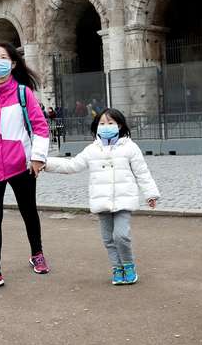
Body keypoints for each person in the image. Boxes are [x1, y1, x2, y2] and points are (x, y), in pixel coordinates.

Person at [0, 42, 51, 292]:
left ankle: (37, 253)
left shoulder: (24, 93)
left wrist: (37, 157)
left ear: (13, 64)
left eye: (3, 57)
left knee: (28, 211)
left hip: (20, 165)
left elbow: (40, 127)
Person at [44, 108, 160, 285]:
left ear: (119, 125)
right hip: (102, 200)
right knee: (108, 238)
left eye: (110, 123)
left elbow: (142, 172)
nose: (106, 126)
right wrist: (45, 163)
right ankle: (117, 268)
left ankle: (128, 265)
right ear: (96, 126)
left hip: (123, 199)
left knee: (121, 235)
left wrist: (150, 194)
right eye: (102, 123)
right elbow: (72, 165)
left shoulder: (130, 147)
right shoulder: (92, 150)